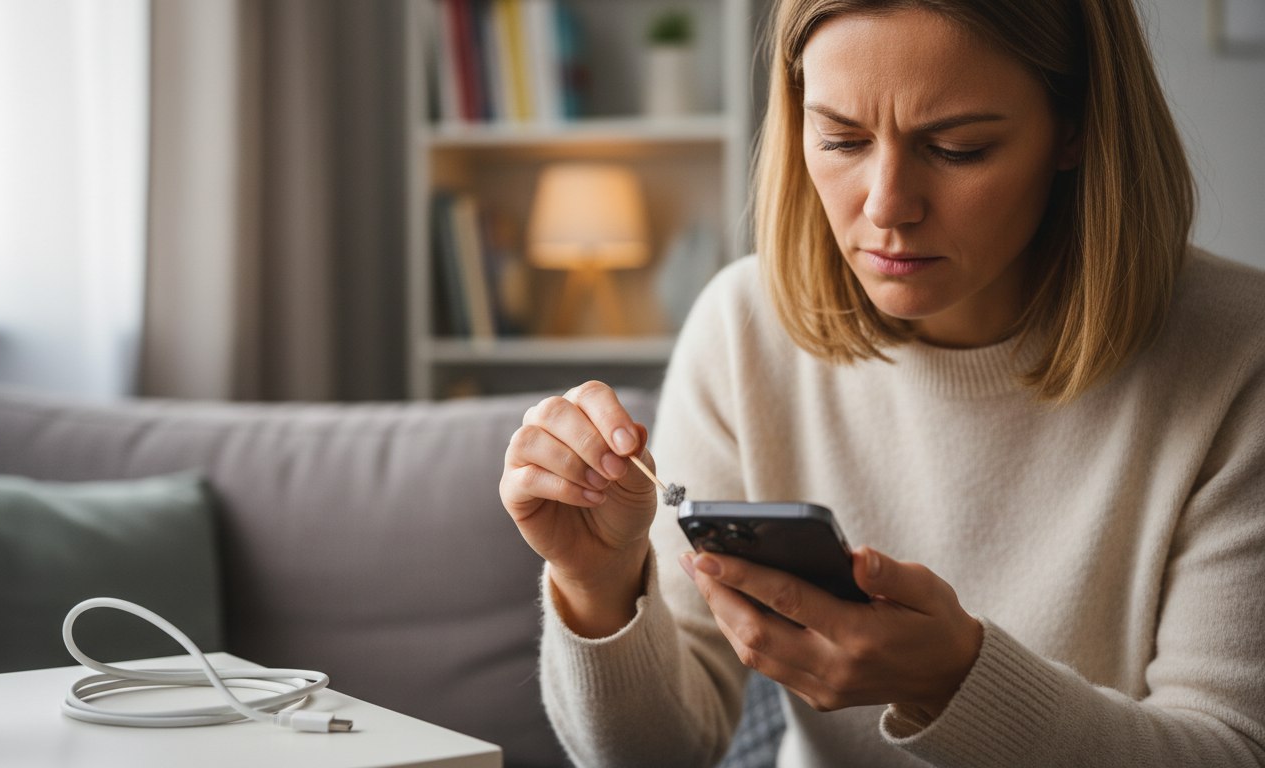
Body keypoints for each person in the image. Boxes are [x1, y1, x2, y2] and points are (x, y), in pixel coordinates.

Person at [498, 0, 1265, 765]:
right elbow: (659, 755)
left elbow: (1230, 750)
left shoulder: (1237, 356)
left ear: (1075, 127)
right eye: (840, 138)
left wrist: (958, 684)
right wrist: (597, 584)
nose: (887, 205)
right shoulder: (742, 329)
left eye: (959, 148)